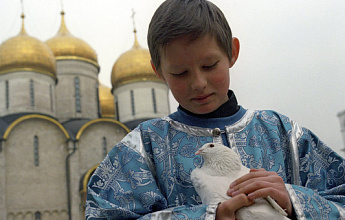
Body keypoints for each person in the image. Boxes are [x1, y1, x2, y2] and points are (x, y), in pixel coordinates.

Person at [85, 0, 345, 219]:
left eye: (209, 66)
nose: (198, 83)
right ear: (158, 72)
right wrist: (209, 215)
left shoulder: (282, 133)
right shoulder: (141, 149)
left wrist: (291, 199)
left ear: (232, 52)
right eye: (180, 72)